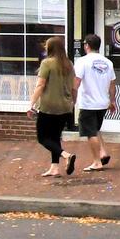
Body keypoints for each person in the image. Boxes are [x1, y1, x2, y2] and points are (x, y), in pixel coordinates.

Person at [28, 35, 76, 178]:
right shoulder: (69, 64)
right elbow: (74, 87)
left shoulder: (47, 63)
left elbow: (41, 85)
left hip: (49, 106)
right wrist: (73, 102)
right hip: (65, 106)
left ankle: (66, 155)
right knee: (55, 137)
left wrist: (31, 104)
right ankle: (54, 168)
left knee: (42, 138)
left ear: (50, 48)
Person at [74, 33, 117, 170]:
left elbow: (77, 82)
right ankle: (103, 153)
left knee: (90, 133)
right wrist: (113, 101)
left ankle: (97, 162)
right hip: (103, 103)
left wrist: (72, 98)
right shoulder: (108, 63)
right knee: (96, 129)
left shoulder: (82, 62)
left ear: (87, 45)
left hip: (88, 103)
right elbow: (112, 84)